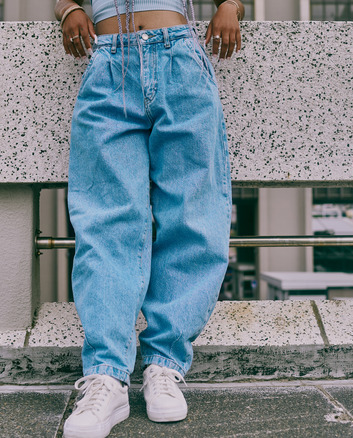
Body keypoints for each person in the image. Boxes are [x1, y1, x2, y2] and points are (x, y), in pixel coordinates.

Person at [54, 0, 243, 436]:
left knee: (193, 218)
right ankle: (106, 376)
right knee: (105, 222)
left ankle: (164, 365)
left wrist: (230, 5)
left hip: (180, 57)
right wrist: (68, 10)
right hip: (107, 63)